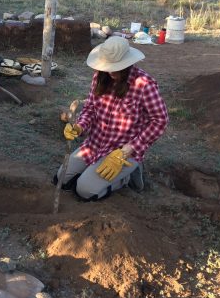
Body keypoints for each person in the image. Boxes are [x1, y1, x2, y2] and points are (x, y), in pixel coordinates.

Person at [55, 36, 168, 201]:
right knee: (62, 180)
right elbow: (90, 109)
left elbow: (160, 120)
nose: (110, 72)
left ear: (128, 63)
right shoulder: (100, 76)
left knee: (84, 191)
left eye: (115, 68)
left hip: (123, 151)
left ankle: (126, 177)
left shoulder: (144, 84)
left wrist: (129, 149)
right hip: (95, 144)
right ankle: (98, 172)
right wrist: (79, 126)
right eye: (107, 67)